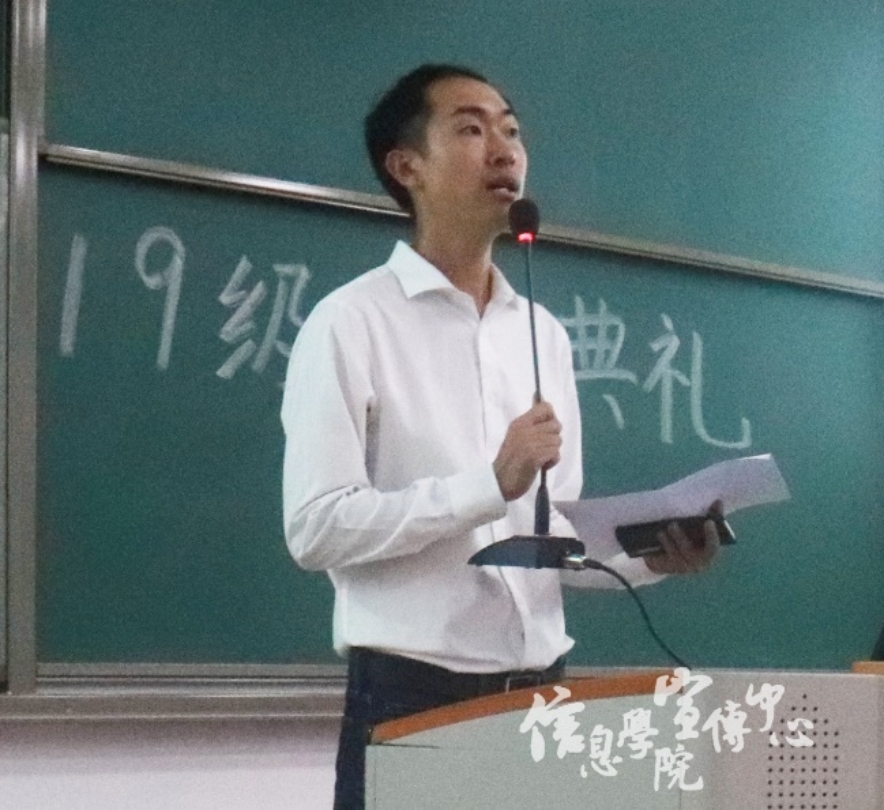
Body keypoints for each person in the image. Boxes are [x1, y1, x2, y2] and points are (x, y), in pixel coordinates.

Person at [281, 64, 720, 809]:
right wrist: (489, 484)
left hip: (543, 694)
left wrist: (652, 555)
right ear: (407, 167)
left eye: (512, 131)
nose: (504, 149)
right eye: (471, 128)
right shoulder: (350, 323)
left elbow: (551, 544)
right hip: (417, 695)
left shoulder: (543, 332)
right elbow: (315, 528)